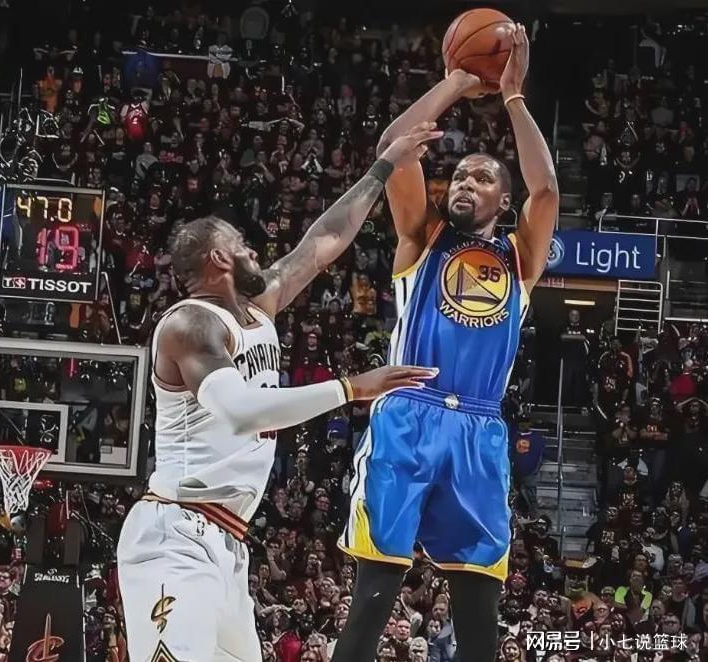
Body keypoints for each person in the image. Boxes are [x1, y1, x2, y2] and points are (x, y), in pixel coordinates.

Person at [116, 125, 442, 662]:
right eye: (241, 245)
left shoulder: (258, 307)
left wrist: (382, 168)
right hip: (176, 535)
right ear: (219, 259)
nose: (253, 250)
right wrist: (349, 388)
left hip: (228, 540)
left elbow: (322, 242)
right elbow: (240, 412)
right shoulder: (190, 325)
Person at [333, 24, 558, 662]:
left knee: (479, 611)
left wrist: (512, 97)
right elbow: (394, 150)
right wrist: (456, 81)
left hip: (479, 428)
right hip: (409, 414)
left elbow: (546, 190)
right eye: (459, 175)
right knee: (374, 594)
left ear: (503, 200)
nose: (464, 182)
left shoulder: (520, 257)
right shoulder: (421, 238)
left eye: (481, 179)